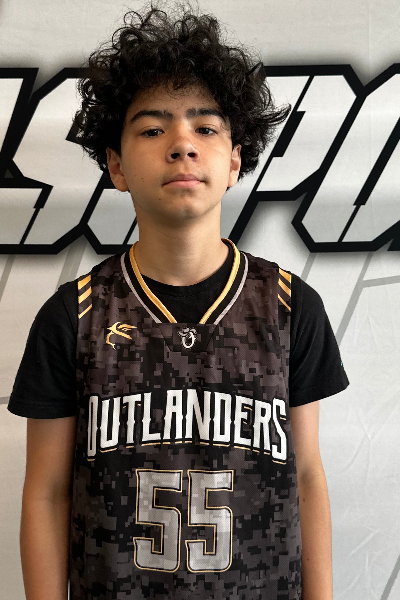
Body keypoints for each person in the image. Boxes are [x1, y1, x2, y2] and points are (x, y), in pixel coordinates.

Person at [8, 3, 349, 599]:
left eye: (206, 128)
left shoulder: (290, 306)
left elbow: (308, 475)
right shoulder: (75, 316)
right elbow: (47, 493)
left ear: (235, 160)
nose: (182, 145)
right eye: (152, 129)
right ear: (116, 165)